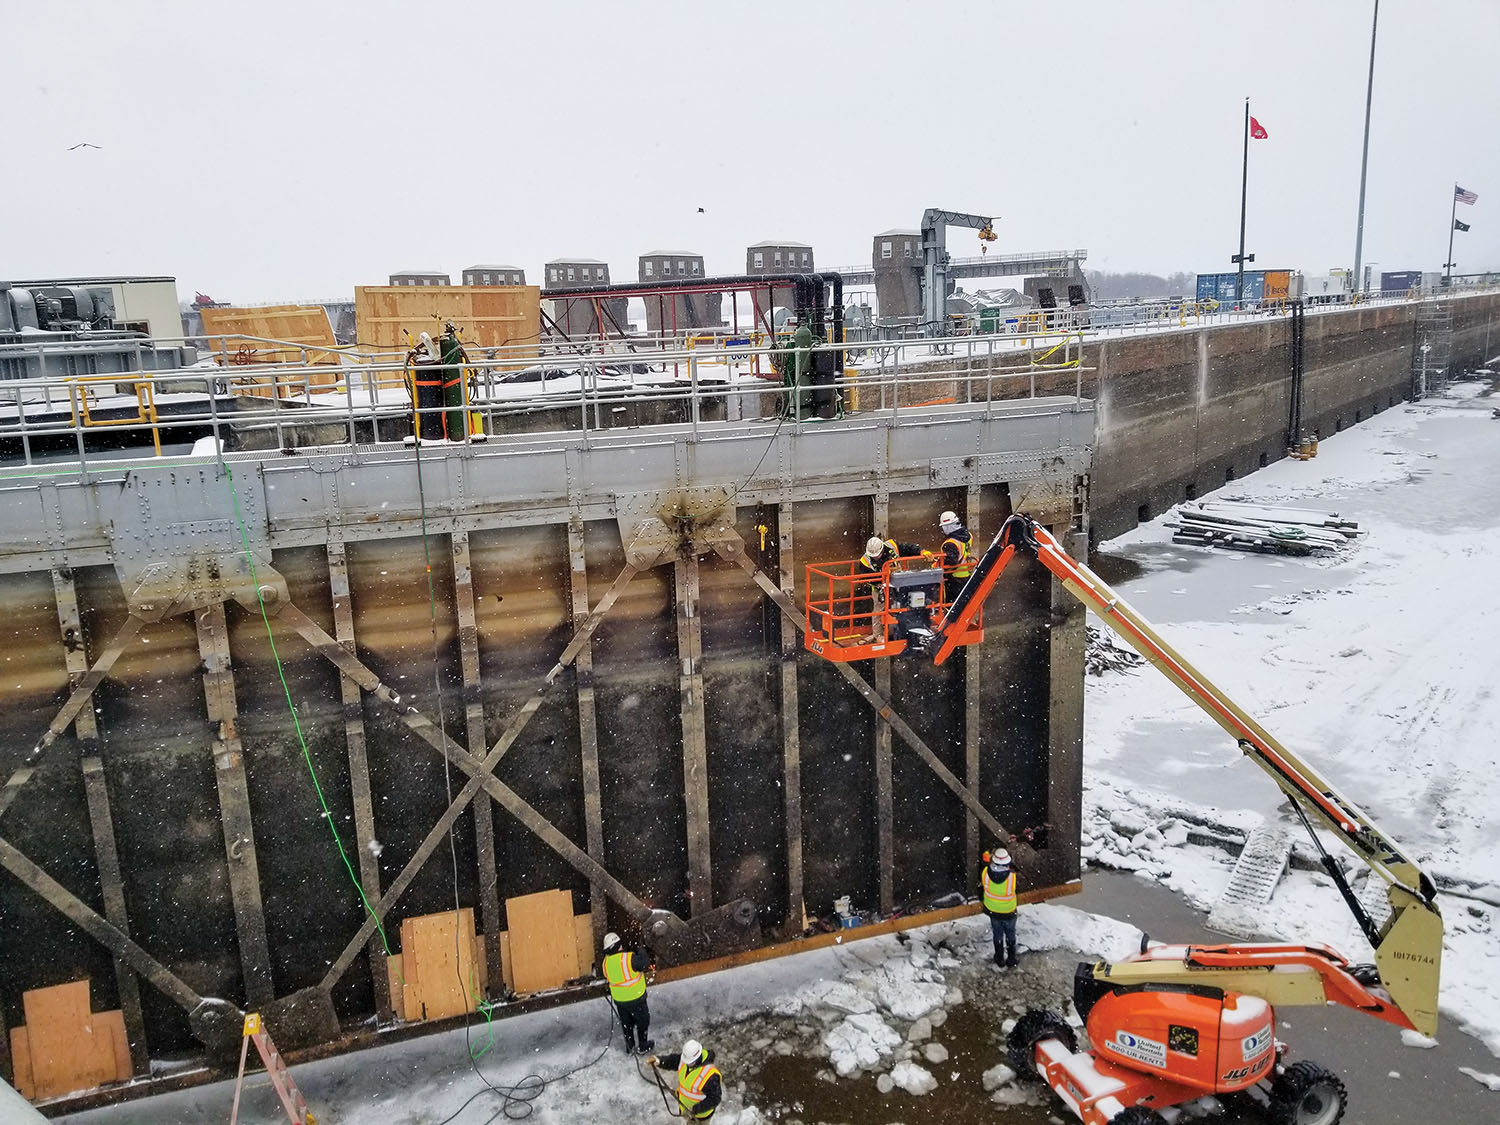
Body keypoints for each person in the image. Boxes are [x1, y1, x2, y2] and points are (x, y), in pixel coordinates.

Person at [600, 931, 653, 1054]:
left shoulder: (605, 963)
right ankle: (643, 1046)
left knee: (627, 1024)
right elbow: (644, 963)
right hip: (636, 999)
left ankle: (630, 1047)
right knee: (643, 1022)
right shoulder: (628, 959)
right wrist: (640, 949)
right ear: (619, 946)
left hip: (620, 1002)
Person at [648, 1039, 722, 1120]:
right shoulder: (686, 1061)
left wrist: (695, 1109)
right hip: (685, 1108)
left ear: (698, 1057)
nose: (687, 1064)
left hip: (699, 1116)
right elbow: (674, 1061)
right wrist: (659, 1061)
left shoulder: (710, 1075)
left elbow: (715, 1098)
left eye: (691, 1063)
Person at [980, 847, 1018, 967]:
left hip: (993, 910)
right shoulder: (1012, 877)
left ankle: (999, 959)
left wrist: (987, 858)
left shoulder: (985, 872)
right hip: (1009, 911)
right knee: (1010, 934)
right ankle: (1011, 959)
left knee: (997, 934)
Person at [937, 510, 974, 604]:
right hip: (966, 575)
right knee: (962, 605)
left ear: (948, 526)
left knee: (951, 605)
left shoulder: (950, 543)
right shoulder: (968, 535)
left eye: (944, 527)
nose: (943, 530)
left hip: (954, 579)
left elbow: (951, 562)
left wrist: (937, 564)